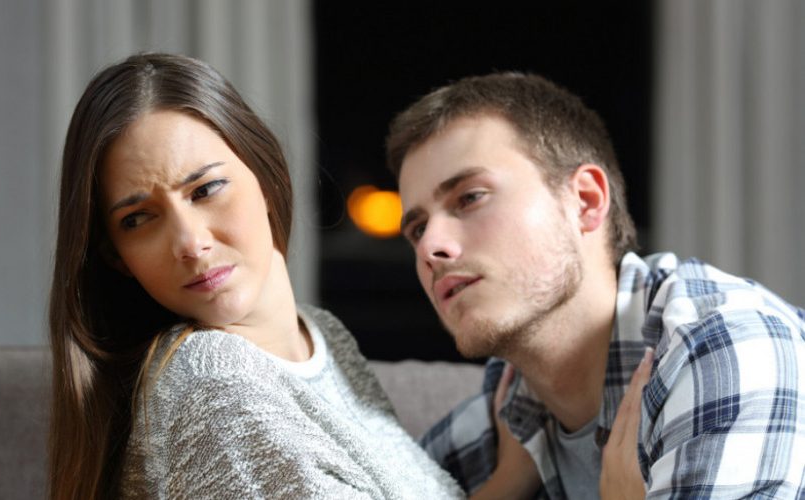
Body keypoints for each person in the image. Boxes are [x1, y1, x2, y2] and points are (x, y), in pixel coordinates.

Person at [47, 53, 468, 499]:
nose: (190, 243)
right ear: (117, 256)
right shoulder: (214, 383)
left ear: (266, 178)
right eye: (138, 219)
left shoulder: (324, 336)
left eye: (205, 190)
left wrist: (511, 473)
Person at [386, 72, 805, 498]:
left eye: (470, 197)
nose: (430, 247)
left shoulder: (726, 345)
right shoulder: (514, 404)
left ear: (585, 201)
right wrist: (504, 488)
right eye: (418, 229)